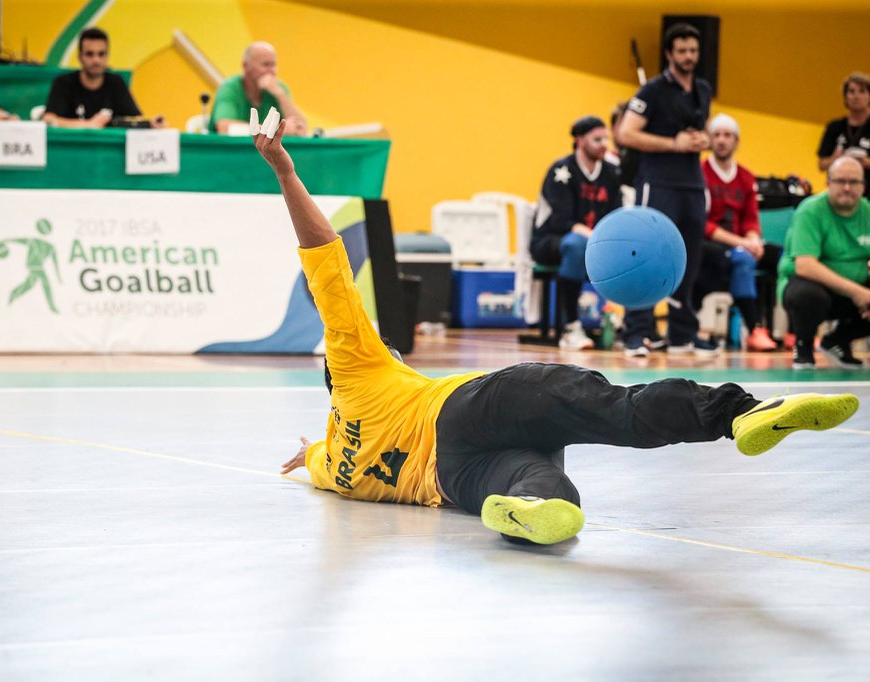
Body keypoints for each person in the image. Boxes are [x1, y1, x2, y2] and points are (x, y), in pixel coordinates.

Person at [252, 109, 860, 546]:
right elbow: (326, 256)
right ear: (349, 363)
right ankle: (736, 414)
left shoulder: (339, 462)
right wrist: (283, 170)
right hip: (466, 411)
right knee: (612, 407)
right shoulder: (360, 368)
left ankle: (540, 510)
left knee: (540, 481)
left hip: (452, 480)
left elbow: (320, 458)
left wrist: (309, 455)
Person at [616, 22, 716, 358]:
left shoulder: (702, 88)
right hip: (657, 183)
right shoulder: (652, 91)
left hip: (692, 184)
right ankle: (637, 333)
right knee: (646, 257)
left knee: (688, 258)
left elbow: (697, 132)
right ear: (670, 54)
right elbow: (625, 134)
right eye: (682, 51)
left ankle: (681, 335)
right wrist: (673, 143)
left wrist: (704, 140)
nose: (689, 56)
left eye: (693, 51)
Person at [530, 115, 622, 350]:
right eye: (597, 139)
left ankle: (629, 326)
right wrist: (595, 237)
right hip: (551, 240)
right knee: (577, 245)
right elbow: (561, 220)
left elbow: (616, 215)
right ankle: (570, 326)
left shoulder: (611, 174)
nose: (604, 144)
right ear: (580, 140)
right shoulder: (561, 171)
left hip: (594, 240)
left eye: (606, 139)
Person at [777, 156, 870, 369]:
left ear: (863, 186)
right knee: (807, 296)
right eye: (840, 181)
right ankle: (804, 346)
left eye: (854, 182)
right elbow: (805, 265)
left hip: (853, 290)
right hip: (809, 286)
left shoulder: (868, 212)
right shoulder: (810, 210)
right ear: (828, 183)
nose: (847, 188)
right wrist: (857, 292)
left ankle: (838, 340)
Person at [698, 113, 779, 351]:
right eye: (717, 135)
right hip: (712, 245)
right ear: (710, 140)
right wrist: (741, 243)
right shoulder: (700, 173)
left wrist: (754, 239)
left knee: (786, 258)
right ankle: (754, 329)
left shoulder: (745, 176)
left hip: (741, 242)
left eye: (727, 135)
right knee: (743, 258)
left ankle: (793, 332)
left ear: (736, 141)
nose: (722, 140)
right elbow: (704, 224)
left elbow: (751, 218)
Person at [43, 27, 163, 129]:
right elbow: (48, 119)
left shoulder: (116, 82)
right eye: (90, 54)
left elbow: (135, 118)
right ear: (80, 57)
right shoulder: (63, 83)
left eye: (101, 54)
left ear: (107, 56)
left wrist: (150, 124)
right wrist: (88, 125)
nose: (96, 60)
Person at [209, 42, 307, 136]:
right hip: (231, 151)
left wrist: (280, 95)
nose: (271, 71)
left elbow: (300, 129)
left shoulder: (278, 88)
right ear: (245, 66)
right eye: (265, 65)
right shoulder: (230, 88)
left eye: (273, 65)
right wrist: (275, 130)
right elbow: (225, 128)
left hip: (264, 152)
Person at [817, 72, 870, 200]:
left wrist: (866, 162)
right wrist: (837, 158)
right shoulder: (834, 127)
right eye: (851, 92)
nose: (856, 96)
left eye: (862, 91)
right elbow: (821, 165)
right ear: (845, 97)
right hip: (840, 198)